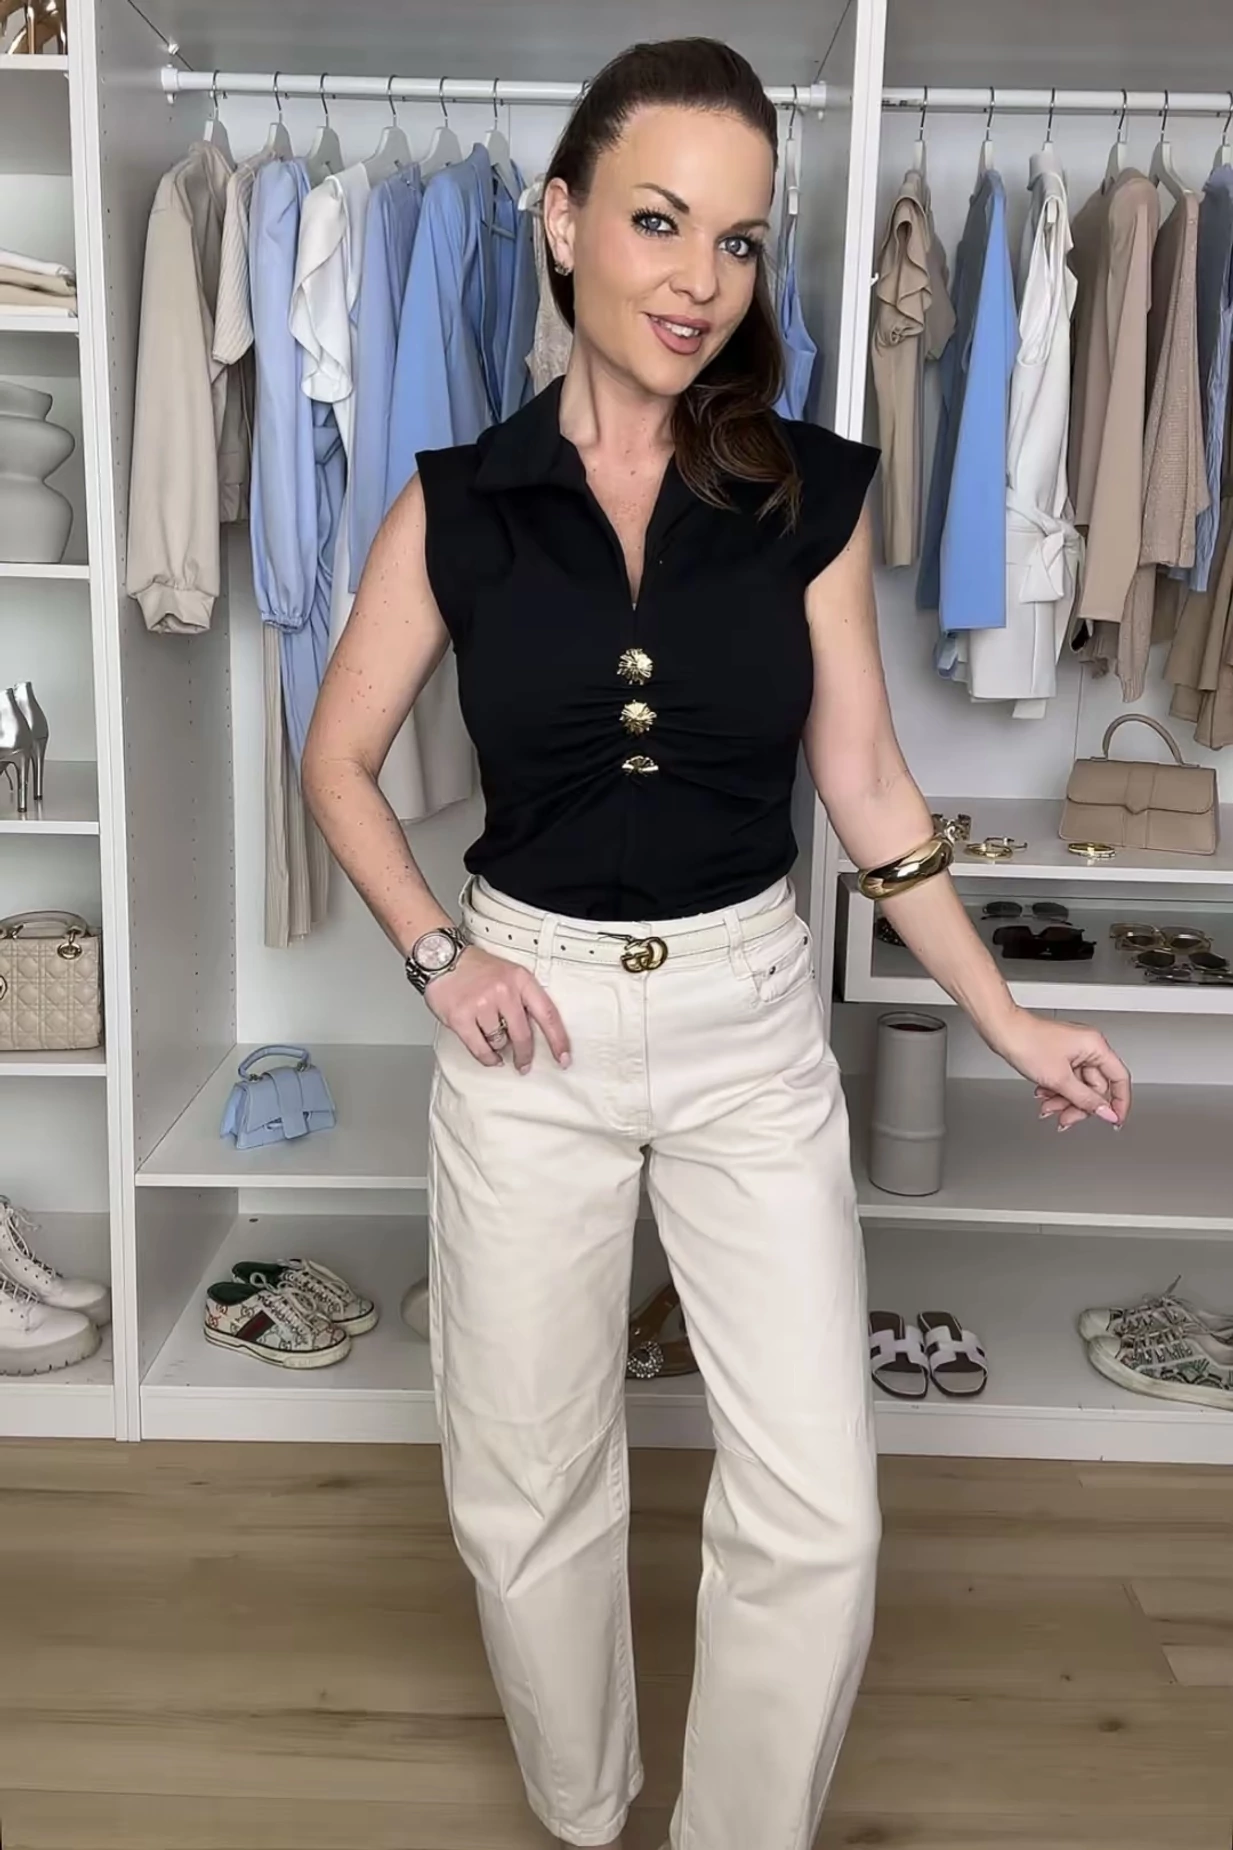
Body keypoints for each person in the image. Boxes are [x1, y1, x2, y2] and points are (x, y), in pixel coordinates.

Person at [302, 37, 1132, 1850]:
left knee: (820, 1503)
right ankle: (585, 1806)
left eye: (741, 241)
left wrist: (1003, 1016)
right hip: (530, 1033)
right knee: (526, 1480)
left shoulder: (807, 493)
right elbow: (337, 758)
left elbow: (869, 782)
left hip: (751, 1023)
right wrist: (440, 957)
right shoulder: (457, 500)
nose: (700, 280)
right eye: (661, 222)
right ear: (562, 221)